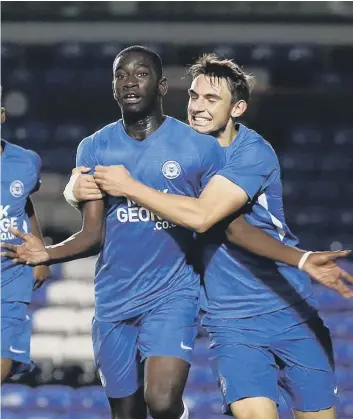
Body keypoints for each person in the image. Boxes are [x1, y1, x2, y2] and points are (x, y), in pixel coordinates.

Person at [1, 49, 351, 419]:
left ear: (237, 109)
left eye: (212, 99)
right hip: (206, 317)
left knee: (170, 401)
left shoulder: (235, 153)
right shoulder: (115, 146)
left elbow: (213, 221)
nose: (199, 106)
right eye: (195, 96)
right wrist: (70, 203)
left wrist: (302, 258)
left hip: (262, 305)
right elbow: (95, 231)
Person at [0, 45, 228, 419]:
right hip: (114, 301)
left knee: (162, 400)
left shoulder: (199, 148)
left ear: (162, 85)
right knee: (127, 414)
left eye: (140, 73)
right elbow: (93, 235)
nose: (129, 82)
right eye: (121, 75)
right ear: (112, 88)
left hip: (172, 295)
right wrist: (46, 253)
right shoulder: (94, 147)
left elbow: (216, 222)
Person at [1, 100, 50, 383]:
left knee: (4, 363)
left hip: (11, 273)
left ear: (2, 116)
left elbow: (24, 203)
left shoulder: (26, 161)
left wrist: (40, 251)